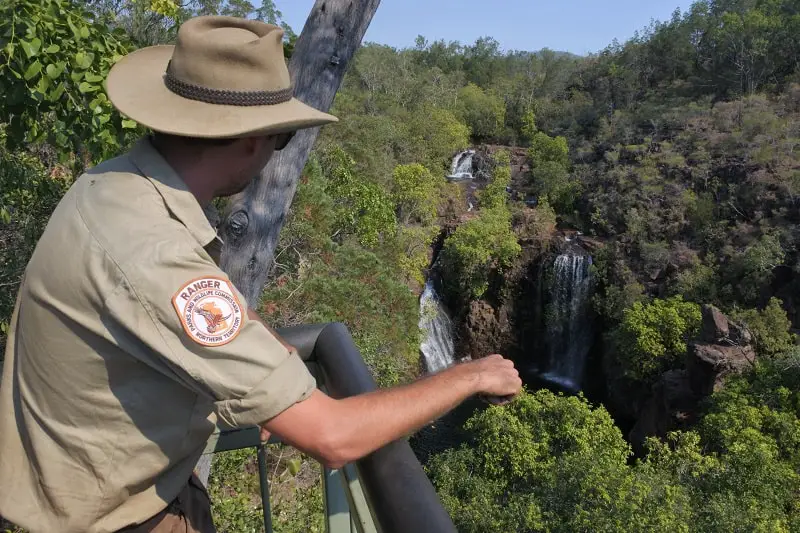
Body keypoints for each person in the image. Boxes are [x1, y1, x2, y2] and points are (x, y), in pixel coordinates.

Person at [0, 15, 522, 533]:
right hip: (120, 517)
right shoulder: (154, 252)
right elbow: (332, 437)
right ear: (251, 140)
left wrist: (263, 366)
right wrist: (469, 374)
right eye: (282, 138)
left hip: (83, 488)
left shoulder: (111, 185)